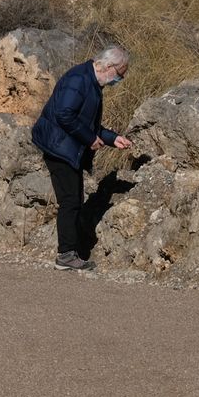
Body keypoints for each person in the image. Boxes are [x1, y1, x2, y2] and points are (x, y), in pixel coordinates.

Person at [31, 46, 133, 270]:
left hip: (65, 146)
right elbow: (64, 114)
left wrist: (112, 138)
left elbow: (89, 124)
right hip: (58, 147)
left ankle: (69, 252)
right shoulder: (79, 79)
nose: (119, 80)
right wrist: (89, 138)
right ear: (108, 66)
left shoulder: (92, 82)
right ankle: (66, 255)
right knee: (70, 200)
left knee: (73, 199)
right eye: (119, 74)